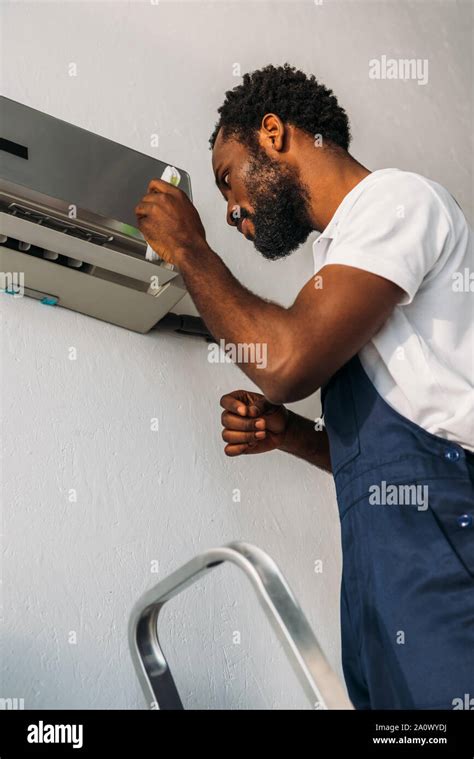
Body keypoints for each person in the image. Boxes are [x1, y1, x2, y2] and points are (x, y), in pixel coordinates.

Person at [135, 64, 473, 709]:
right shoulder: (343, 258)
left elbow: (287, 362)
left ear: (272, 133)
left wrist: (190, 251)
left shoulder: (395, 201)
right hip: (381, 571)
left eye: (227, 179)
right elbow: (388, 453)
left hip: (443, 552)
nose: (231, 210)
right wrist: (292, 435)